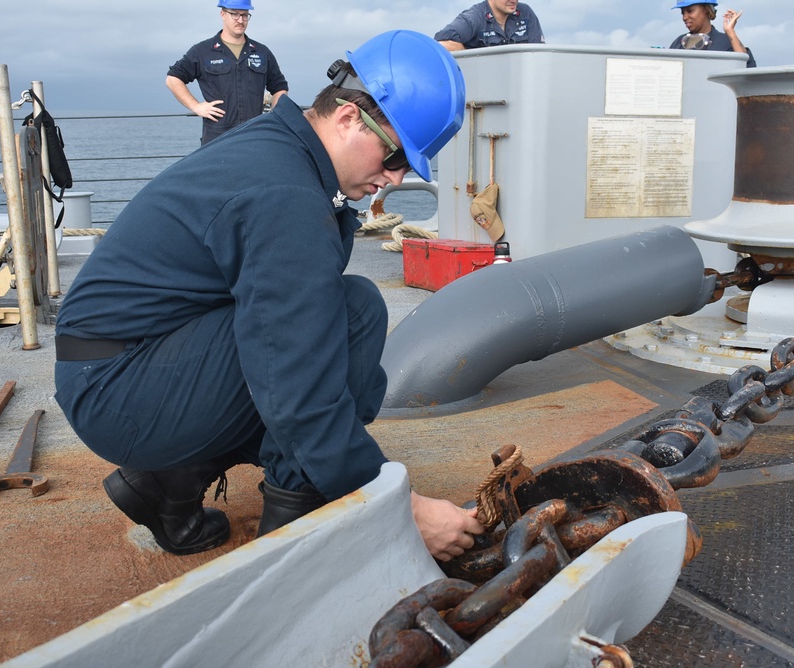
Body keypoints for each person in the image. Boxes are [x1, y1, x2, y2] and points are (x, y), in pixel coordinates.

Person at [54, 30, 485, 561]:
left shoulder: (280, 149)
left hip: (117, 364)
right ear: (349, 117)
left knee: (354, 309)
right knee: (342, 324)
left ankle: (167, 483)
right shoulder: (284, 193)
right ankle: (288, 538)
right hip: (119, 389)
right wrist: (401, 506)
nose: (393, 179)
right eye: (394, 155)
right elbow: (298, 387)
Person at [166, 0, 288, 145]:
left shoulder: (262, 52)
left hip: (254, 136)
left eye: (244, 15)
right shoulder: (203, 51)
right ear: (223, 14)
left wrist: (273, 116)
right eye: (234, 14)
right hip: (216, 139)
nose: (240, 20)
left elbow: (279, 87)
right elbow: (173, 79)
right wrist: (196, 106)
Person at [669, 1, 756, 68]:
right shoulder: (678, 43)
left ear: (706, 10)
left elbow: (746, 72)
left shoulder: (726, 42)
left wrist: (730, 32)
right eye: (682, 13)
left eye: (690, 11)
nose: (684, 17)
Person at [435, 0, 545, 51]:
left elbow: (540, 53)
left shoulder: (526, 13)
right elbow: (442, 44)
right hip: (484, 89)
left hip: (519, 86)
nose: (513, 0)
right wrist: (469, 57)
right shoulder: (474, 17)